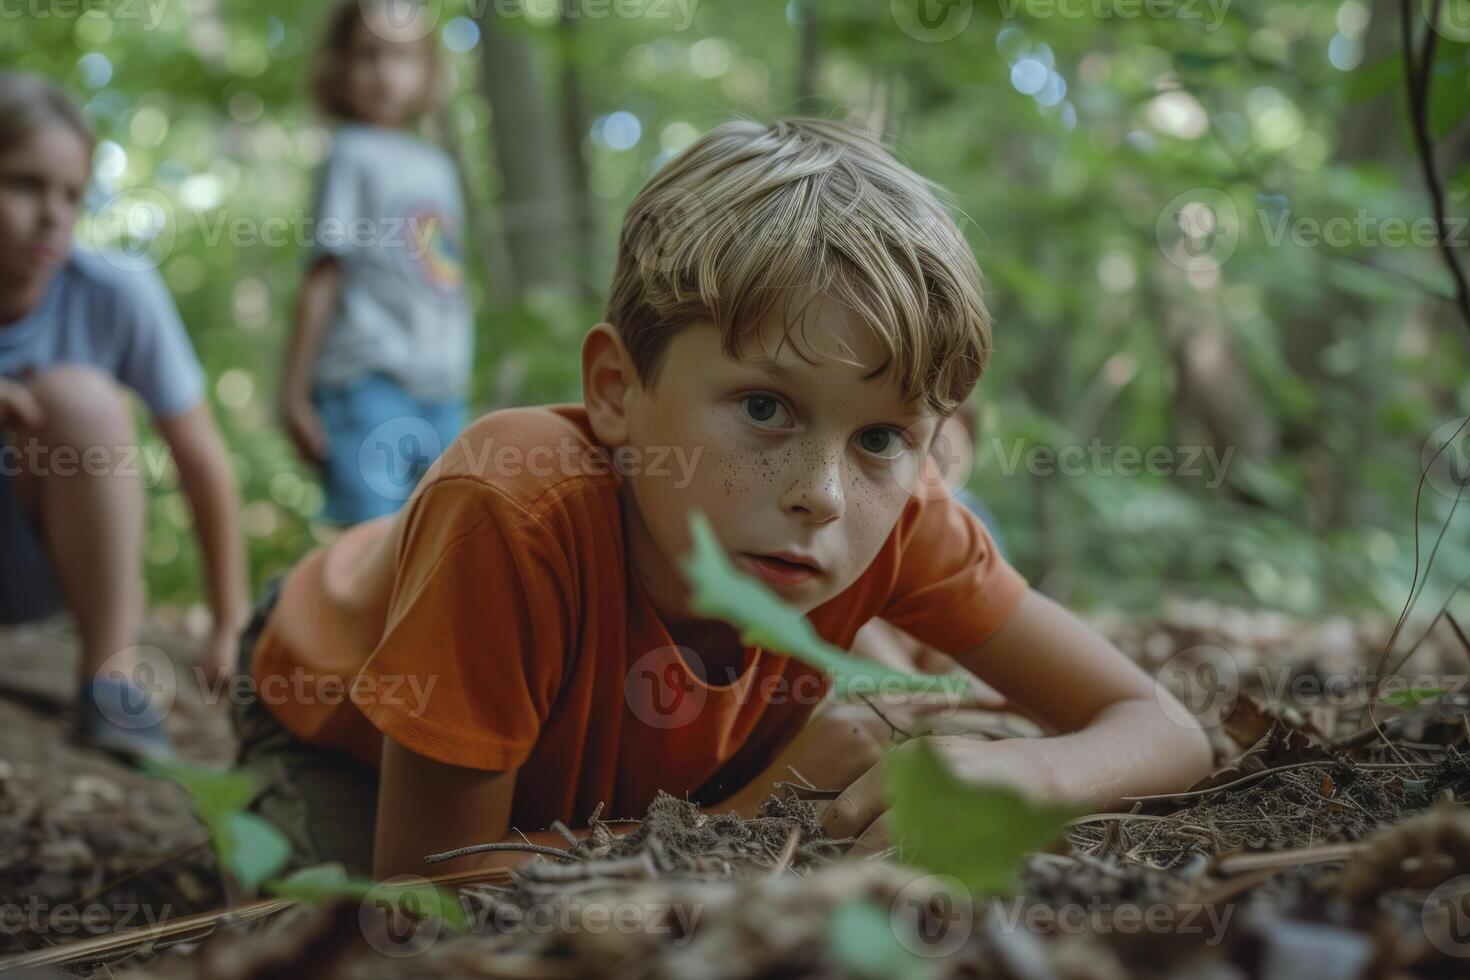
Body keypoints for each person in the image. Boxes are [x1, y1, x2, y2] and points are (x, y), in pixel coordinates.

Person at [234, 118, 1214, 880]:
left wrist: (1030, 771)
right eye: (764, 406)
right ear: (618, 390)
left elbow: (1162, 726)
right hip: (332, 714)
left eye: (881, 435)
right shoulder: (513, 505)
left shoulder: (898, 512)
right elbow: (436, 891)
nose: (822, 494)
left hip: (599, 775)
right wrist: (754, 805)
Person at [0, 73, 249, 761]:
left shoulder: (116, 294)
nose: (52, 213)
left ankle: (110, 684)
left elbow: (201, 458)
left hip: (37, 549)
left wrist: (229, 620)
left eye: (71, 194)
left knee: (84, 401)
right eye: (23, 184)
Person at [278, 0, 472, 526]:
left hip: (441, 389)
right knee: (371, 541)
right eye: (368, 55)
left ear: (428, 68)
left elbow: (444, 275)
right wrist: (293, 393)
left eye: (403, 57)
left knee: (442, 538)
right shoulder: (349, 154)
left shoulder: (437, 166)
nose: (385, 73)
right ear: (338, 65)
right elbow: (324, 273)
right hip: (367, 380)